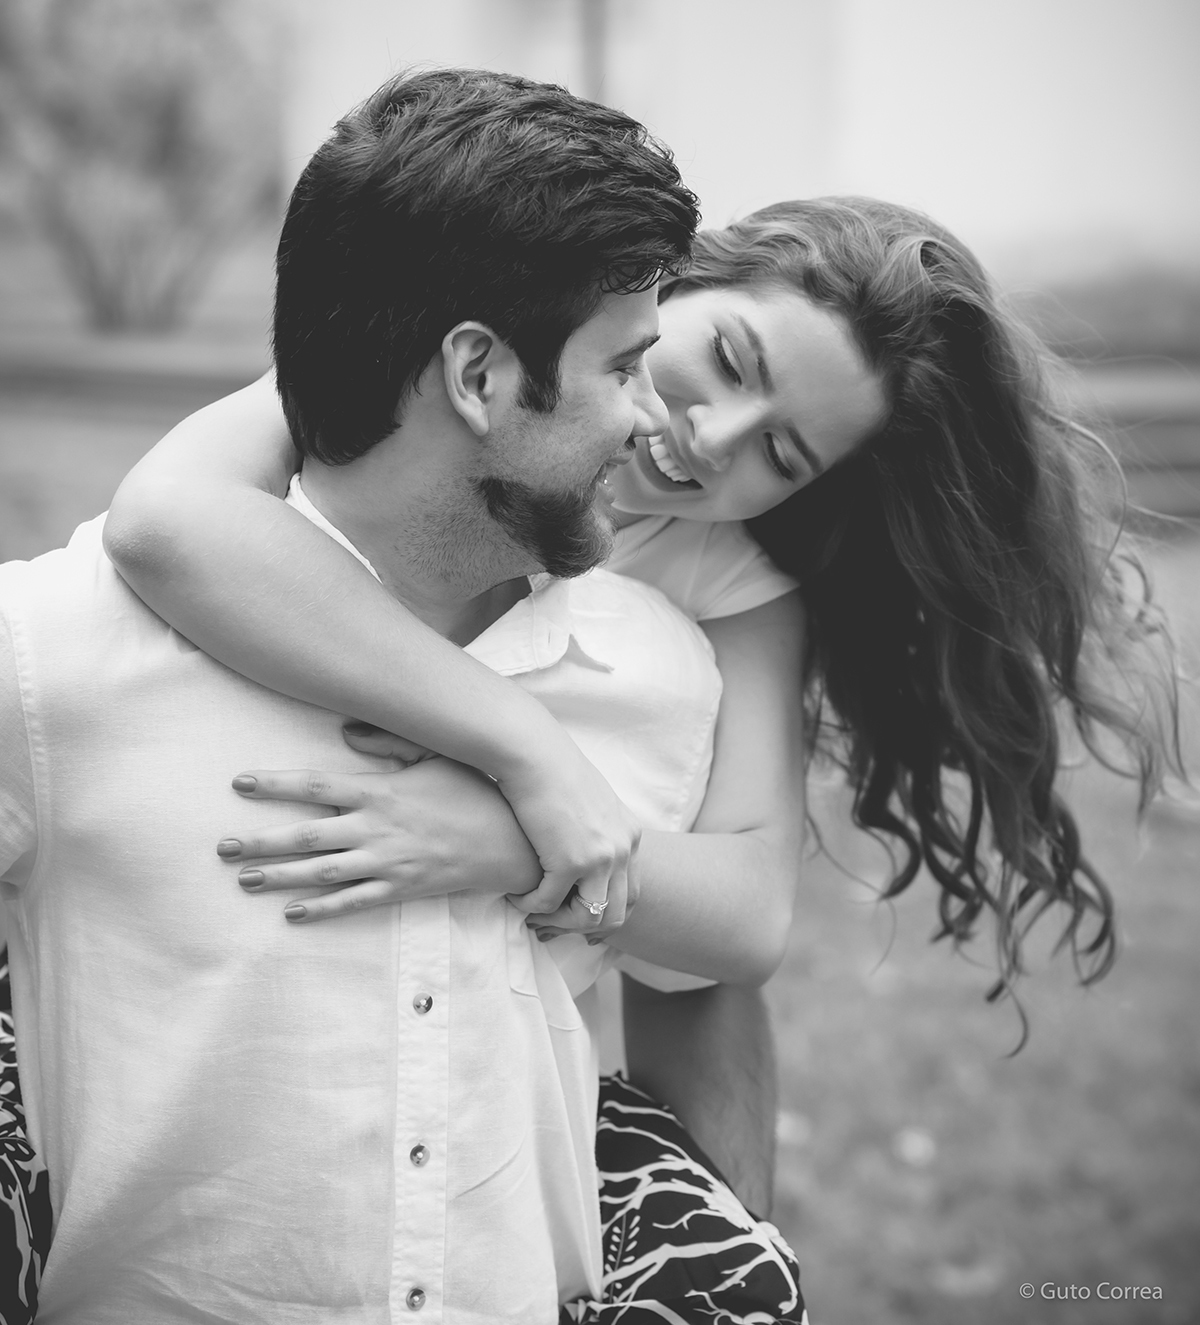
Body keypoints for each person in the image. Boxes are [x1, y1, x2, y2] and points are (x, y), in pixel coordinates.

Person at [94, 193, 1180, 1308]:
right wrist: (529, 755)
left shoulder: (727, 574)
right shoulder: (440, 360)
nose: (713, 439)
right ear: (680, 282)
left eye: (781, 453)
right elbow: (163, 521)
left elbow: (745, 917)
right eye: (730, 359)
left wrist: (510, 843)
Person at [0, 67, 812, 1324]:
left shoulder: (661, 681)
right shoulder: (52, 656)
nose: (657, 422)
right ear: (478, 375)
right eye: (626, 366)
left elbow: (711, 973)